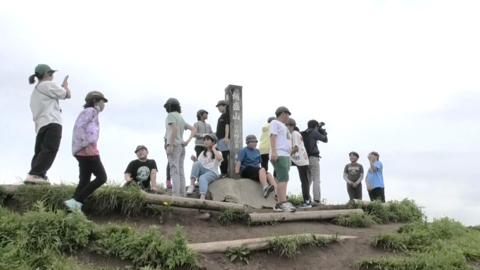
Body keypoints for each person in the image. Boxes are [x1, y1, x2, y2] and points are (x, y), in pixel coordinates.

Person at [25, 64, 71, 184]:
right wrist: (65, 87)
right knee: (50, 149)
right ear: (46, 74)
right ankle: (36, 174)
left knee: (41, 150)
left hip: (41, 124)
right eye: (51, 73)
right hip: (52, 121)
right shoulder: (48, 85)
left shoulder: (36, 90)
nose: (53, 76)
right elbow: (67, 95)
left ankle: (36, 174)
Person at [65, 91, 108, 210]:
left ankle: (72, 210)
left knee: (84, 181)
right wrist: (87, 145)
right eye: (102, 101)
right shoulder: (90, 111)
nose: (104, 104)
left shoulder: (92, 113)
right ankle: (77, 200)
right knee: (102, 177)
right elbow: (79, 128)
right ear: (95, 101)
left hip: (82, 151)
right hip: (87, 150)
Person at [164, 98, 196, 197]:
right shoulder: (180, 117)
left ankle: (175, 196)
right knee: (180, 170)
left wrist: (171, 145)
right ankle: (182, 194)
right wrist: (187, 141)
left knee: (174, 170)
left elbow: (174, 129)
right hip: (181, 146)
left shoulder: (170, 115)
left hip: (173, 145)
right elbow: (193, 129)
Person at [186, 134, 223, 219]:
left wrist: (213, 148)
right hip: (203, 170)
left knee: (203, 178)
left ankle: (202, 201)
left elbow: (220, 158)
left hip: (212, 172)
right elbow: (199, 164)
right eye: (205, 140)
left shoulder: (218, 152)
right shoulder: (203, 153)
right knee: (196, 163)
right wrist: (195, 160)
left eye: (208, 140)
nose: (205, 142)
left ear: (213, 142)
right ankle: (191, 185)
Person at [270, 106, 295, 212]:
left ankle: (280, 203)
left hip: (285, 154)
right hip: (279, 153)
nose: (288, 117)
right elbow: (272, 136)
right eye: (288, 114)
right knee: (283, 177)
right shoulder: (275, 123)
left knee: (282, 177)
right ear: (283, 113)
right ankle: (282, 202)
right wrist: (274, 151)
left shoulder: (284, 127)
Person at [286, 118, 311, 208]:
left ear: (292, 126)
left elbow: (296, 148)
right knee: (281, 171)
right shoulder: (291, 134)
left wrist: (287, 155)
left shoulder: (295, 134)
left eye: (287, 125)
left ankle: (307, 201)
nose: (285, 127)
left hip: (301, 159)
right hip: (295, 159)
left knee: (304, 181)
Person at [302, 120, 328, 204]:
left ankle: (307, 199)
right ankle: (316, 200)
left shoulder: (303, 133)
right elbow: (325, 139)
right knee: (316, 179)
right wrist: (323, 132)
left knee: (307, 180)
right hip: (313, 158)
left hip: (304, 159)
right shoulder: (313, 132)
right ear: (316, 126)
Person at [215, 100, 230, 178]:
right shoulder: (221, 116)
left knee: (224, 155)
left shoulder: (226, 115)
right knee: (220, 155)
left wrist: (226, 136)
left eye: (220, 106)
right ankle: (221, 172)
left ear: (224, 106)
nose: (218, 108)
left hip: (224, 139)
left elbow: (227, 125)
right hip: (219, 139)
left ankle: (224, 172)